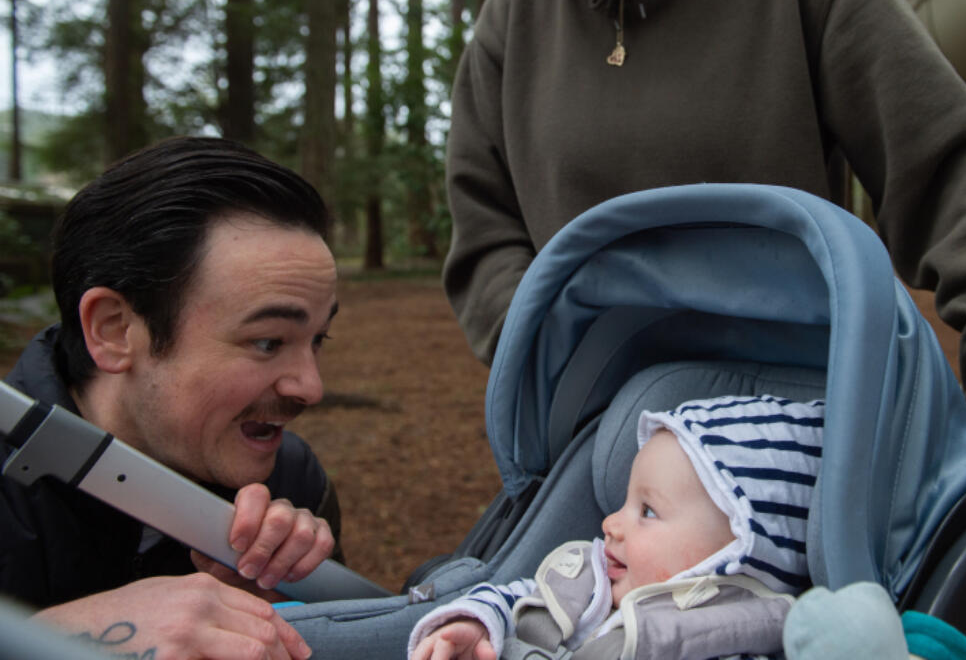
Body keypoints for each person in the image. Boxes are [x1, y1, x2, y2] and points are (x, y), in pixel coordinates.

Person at [441, 0, 966, 545]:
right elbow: (486, 233)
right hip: (591, 458)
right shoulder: (516, 20)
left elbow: (953, 173)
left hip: (791, 454)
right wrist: (555, 378)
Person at [1, 136, 342, 659]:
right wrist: (59, 638)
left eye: (316, 340)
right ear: (115, 329)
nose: (310, 387)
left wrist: (296, 613)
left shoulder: (291, 486)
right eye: (268, 341)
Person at [408, 394, 824, 660]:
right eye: (625, 502)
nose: (609, 523)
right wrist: (478, 623)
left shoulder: (732, 643)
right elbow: (513, 597)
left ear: (737, 551)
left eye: (647, 511)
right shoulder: (592, 581)